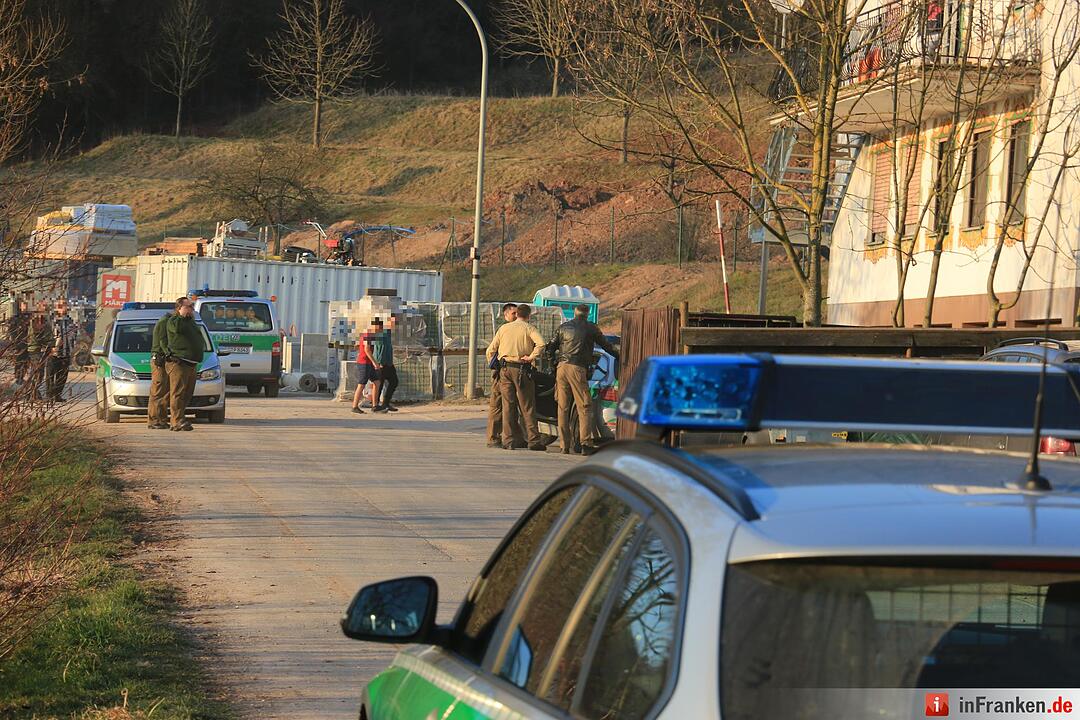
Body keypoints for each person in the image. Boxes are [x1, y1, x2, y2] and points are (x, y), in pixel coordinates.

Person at [551, 304, 618, 455]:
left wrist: (553, 364)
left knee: (563, 407)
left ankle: (564, 445)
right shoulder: (591, 328)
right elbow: (606, 345)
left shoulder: (563, 327)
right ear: (587, 314)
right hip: (577, 368)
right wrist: (619, 356)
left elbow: (550, 347)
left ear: (575, 313)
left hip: (562, 367)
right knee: (585, 406)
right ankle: (585, 443)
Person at [486, 303, 546, 451]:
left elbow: (490, 350)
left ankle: (508, 441)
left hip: (505, 370)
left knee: (507, 406)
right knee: (527, 406)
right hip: (521, 369)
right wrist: (531, 357)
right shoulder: (529, 328)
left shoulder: (504, 328)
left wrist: (496, 368)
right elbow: (541, 344)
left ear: (516, 314)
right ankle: (533, 440)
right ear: (528, 315)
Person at [486, 303, 525, 448]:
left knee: (512, 406)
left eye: (517, 313)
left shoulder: (519, 329)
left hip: (514, 371)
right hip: (502, 372)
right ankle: (493, 437)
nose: (516, 316)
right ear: (506, 315)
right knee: (497, 406)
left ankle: (517, 438)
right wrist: (495, 367)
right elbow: (490, 351)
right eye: (513, 313)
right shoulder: (503, 330)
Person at [164, 296, 203, 431]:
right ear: (179, 308)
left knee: (187, 393)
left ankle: (181, 417)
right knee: (178, 392)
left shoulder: (190, 321)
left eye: (191, 307)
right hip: (179, 362)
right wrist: (182, 315)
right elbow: (176, 330)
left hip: (191, 362)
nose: (190, 309)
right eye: (187, 307)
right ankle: (176, 421)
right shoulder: (174, 321)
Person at [147, 301, 176, 430]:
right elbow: (163, 341)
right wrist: (169, 353)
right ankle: (154, 420)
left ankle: (162, 419)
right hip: (160, 359)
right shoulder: (165, 322)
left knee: (165, 392)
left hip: (165, 360)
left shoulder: (169, 321)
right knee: (158, 391)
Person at [46, 299, 77, 402]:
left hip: (66, 353)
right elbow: (47, 335)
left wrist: (72, 347)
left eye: (64, 305)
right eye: (60, 305)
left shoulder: (70, 320)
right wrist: (50, 347)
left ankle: (57, 395)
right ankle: (50, 395)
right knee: (50, 375)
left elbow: (74, 334)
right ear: (56, 307)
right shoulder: (52, 320)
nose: (62, 307)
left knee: (62, 376)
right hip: (53, 353)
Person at [350, 319, 380, 414]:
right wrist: (375, 362)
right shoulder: (368, 335)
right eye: (379, 328)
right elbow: (367, 350)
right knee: (361, 384)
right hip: (364, 363)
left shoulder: (371, 335)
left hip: (369, 363)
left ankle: (375, 406)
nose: (380, 330)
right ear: (375, 326)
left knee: (377, 382)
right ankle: (355, 406)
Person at [371, 317, 399, 413]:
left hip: (389, 363)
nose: (394, 324)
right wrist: (379, 363)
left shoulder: (387, 332)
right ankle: (376, 404)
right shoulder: (378, 334)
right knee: (380, 384)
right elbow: (379, 351)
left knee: (394, 382)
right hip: (381, 363)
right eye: (392, 321)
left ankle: (386, 402)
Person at [26, 305, 51, 400]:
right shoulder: (34, 323)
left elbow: (50, 336)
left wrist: (50, 345)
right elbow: (34, 337)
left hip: (43, 351)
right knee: (36, 372)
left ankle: (33, 391)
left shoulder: (46, 323)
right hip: (35, 350)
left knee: (40, 373)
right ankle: (31, 392)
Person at [9, 299, 29, 385]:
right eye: (23, 305)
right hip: (19, 344)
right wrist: (16, 342)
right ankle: (18, 377)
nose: (25, 307)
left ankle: (22, 376)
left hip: (27, 344)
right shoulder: (15, 318)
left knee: (25, 362)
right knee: (19, 361)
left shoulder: (29, 317)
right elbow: (12, 332)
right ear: (19, 306)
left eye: (26, 305)